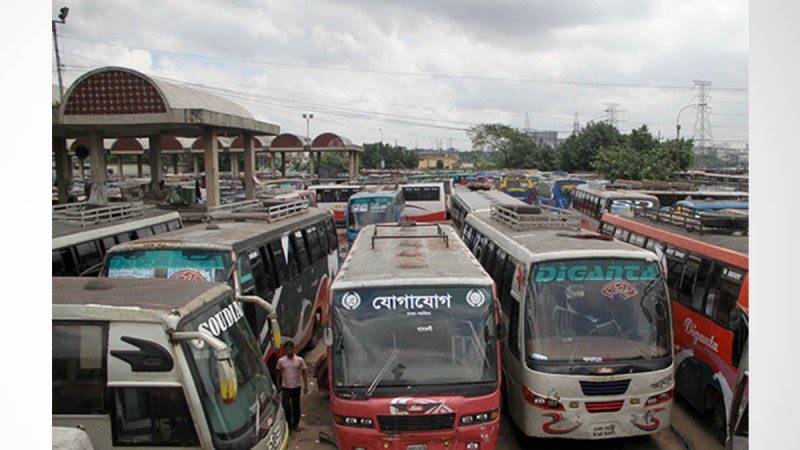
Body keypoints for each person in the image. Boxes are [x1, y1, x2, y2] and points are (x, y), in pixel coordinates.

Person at [276, 341, 308, 432]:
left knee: (296, 407)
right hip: (286, 387)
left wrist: (306, 385)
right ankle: (289, 425)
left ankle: (295, 425)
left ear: (293, 349)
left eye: (290, 349)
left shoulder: (299, 360)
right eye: (287, 350)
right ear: (285, 350)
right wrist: (278, 384)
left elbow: (304, 372)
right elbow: (278, 372)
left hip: (296, 387)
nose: (289, 352)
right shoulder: (281, 361)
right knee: (286, 407)